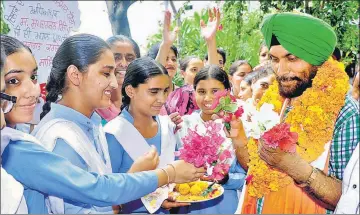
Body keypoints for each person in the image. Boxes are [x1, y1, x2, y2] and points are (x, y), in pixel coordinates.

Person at [0, 34, 200, 214]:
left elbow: (103, 196)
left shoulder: (92, 123)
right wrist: (167, 174)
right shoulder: (56, 136)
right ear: (75, 75)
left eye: (34, 77)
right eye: (106, 73)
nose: (114, 83)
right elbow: (96, 190)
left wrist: (135, 178)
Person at [235, 12, 360, 214]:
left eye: (292, 58)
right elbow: (255, 166)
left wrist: (292, 166)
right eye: (274, 59)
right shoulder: (275, 98)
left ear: (316, 59)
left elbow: (349, 198)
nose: (281, 70)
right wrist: (238, 137)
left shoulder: (345, 112)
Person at [104, 57, 206, 214]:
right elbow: (109, 199)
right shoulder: (114, 133)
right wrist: (156, 200)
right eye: (154, 92)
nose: (162, 99)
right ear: (130, 90)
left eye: (165, 91)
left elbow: (177, 179)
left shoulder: (168, 126)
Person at [175, 65, 246, 214]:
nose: (207, 98)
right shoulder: (182, 125)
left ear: (227, 92)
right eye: (201, 92)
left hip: (226, 204)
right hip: (189, 205)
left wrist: (226, 179)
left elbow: (247, 177)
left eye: (215, 91)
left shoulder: (236, 127)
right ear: (194, 93)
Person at [159, 8, 221, 117]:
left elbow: (214, 78)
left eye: (173, 59)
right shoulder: (174, 96)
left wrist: (211, 41)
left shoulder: (198, 94)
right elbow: (153, 79)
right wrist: (165, 45)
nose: (170, 62)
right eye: (194, 69)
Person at [96, 35, 141, 124]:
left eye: (130, 58)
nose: (124, 64)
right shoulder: (94, 104)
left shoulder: (142, 101)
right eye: (116, 58)